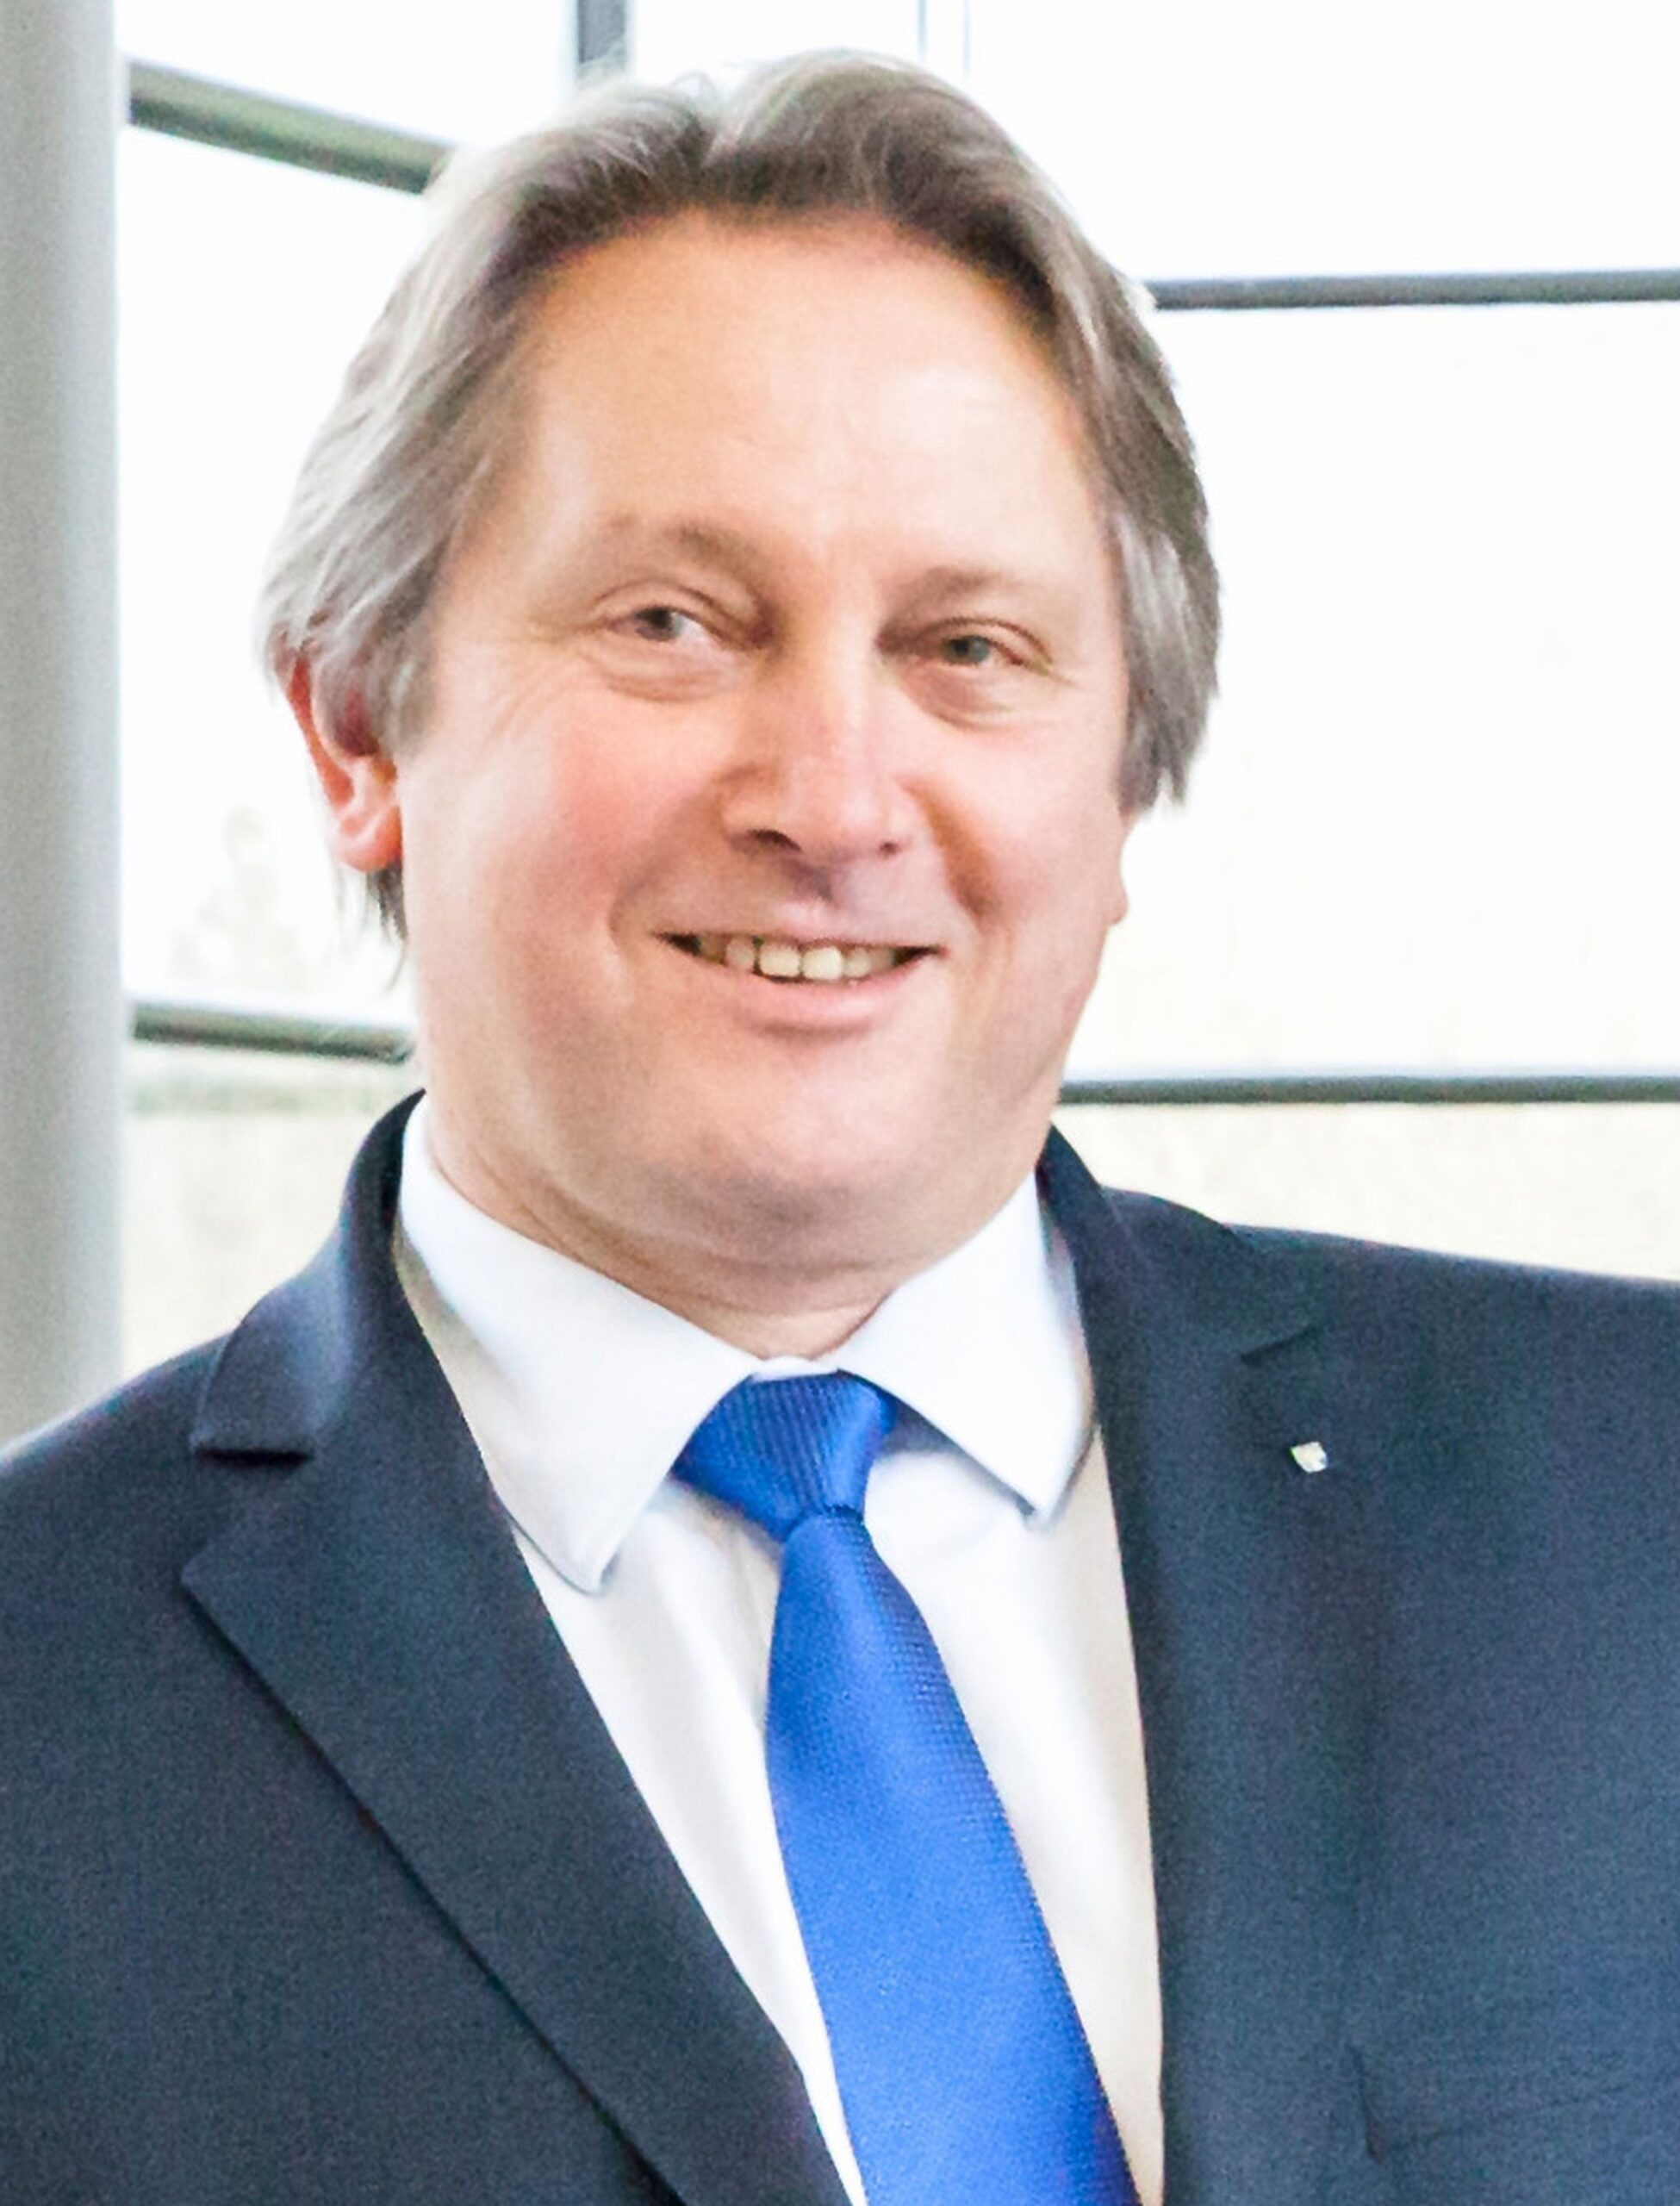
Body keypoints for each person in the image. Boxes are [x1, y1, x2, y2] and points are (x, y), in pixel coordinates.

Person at [3, 52, 1678, 2206]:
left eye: (969, 646)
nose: (832, 796)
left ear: (1122, 779)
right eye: (674, 625)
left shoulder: (1635, 1504)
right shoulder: (36, 1700)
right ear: (356, 724)